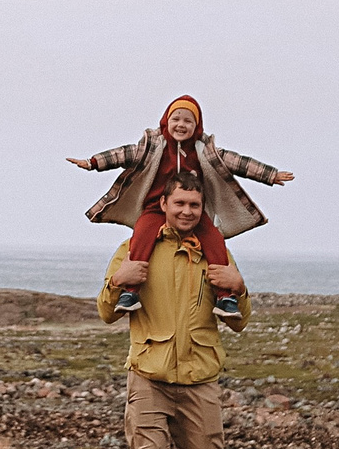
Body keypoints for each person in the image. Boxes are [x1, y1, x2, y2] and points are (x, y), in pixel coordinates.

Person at [97, 175, 250, 449]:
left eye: (194, 206)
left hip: (200, 378)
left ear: (203, 209)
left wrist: (240, 289)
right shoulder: (134, 247)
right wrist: (116, 280)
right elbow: (107, 313)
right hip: (148, 375)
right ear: (163, 203)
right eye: (179, 203)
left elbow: (238, 320)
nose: (186, 211)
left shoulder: (215, 250)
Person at [68, 94, 292, 321]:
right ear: (166, 121)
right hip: (154, 207)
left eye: (188, 121)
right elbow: (124, 154)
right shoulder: (154, 146)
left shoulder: (204, 150)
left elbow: (237, 162)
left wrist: (270, 175)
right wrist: (93, 162)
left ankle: (225, 297)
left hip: (200, 215)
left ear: (197, 126)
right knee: (142, 236)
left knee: (214, 239)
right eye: (176, 119)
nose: (181, 125)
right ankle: (130, 292)